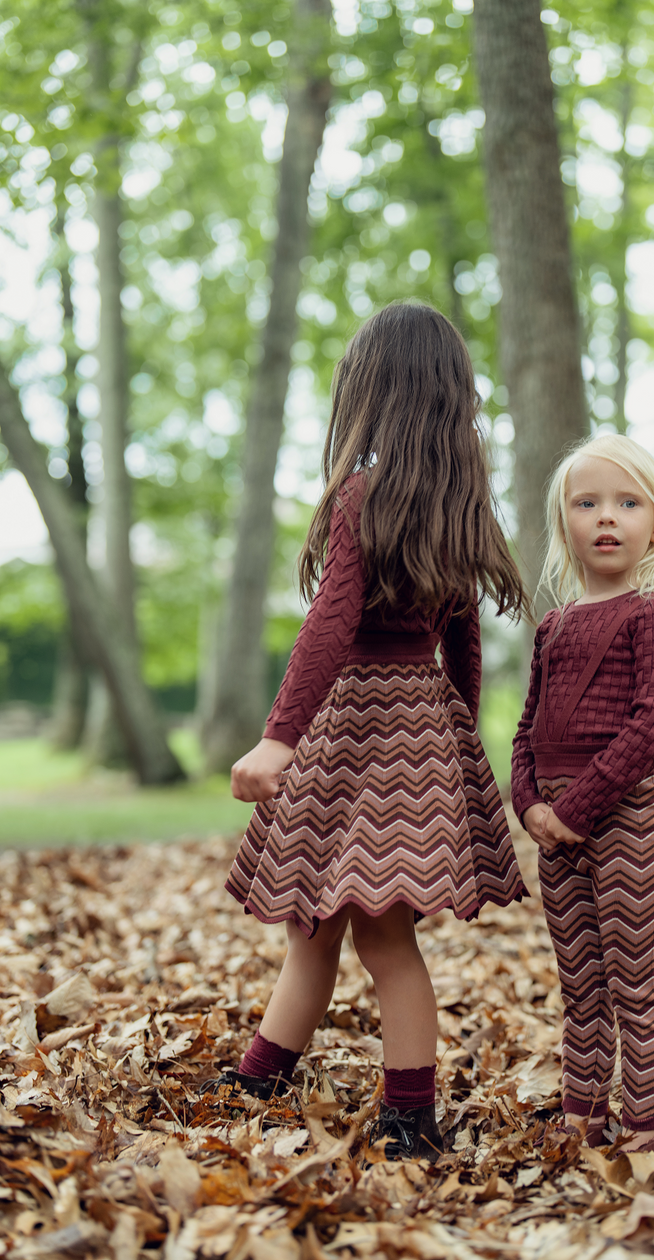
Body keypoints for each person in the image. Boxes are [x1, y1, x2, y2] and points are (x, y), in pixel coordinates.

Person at [219, 302, 529, 1161]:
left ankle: (409, 1118)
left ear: (371, 394)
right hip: (412, 732)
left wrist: (278, 737)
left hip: (355, 726)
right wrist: (456, 739)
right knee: (315, 924)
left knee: (379, 935)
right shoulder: (459, 504)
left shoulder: (361, 495)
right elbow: (464, 643)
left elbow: (330, 624)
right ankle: (261, 1078)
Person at [511, 433, 654, 1154]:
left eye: (628, 503)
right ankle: (581, 1115)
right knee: (580, 980)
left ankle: (643, 1125)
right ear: (565, 525)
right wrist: (530, 804)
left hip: (629, 814)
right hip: (556, 823)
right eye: (587, 503)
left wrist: (575, 808)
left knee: (632, 977)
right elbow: (527, 727)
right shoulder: (553, 626)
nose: (607, 517)